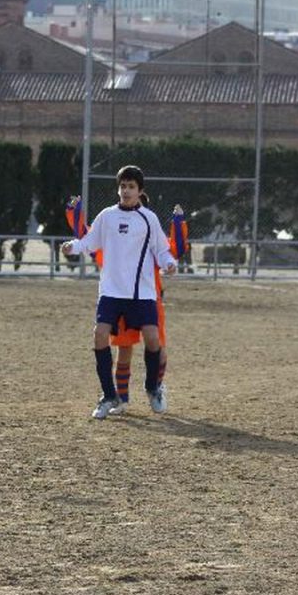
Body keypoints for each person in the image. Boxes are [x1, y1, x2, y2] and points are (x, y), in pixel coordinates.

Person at [62, 165, 178, 419]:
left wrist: (169, 263)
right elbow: (90, 242)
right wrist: (73, 246)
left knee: (153, 338)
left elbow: (161, 250)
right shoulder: (107, 216)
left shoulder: (148, 218)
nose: (126, 191)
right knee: (99, 335)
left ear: (140, 190)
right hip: (111, 292)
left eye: (131, 187)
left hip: (141, 293)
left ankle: (152, 388)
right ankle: (108, 395)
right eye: (123, 186)